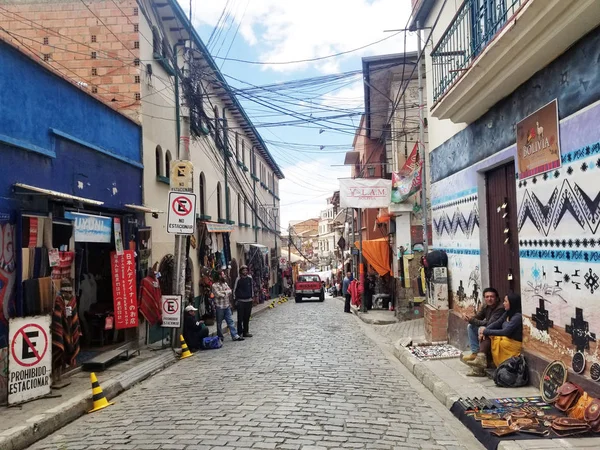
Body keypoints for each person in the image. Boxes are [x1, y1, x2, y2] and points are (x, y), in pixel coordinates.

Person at [468, 293, 523, 375]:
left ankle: (479, 366)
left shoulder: (517, 317)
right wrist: (485, 330)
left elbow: (506, 331)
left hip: (512, 345)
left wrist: (485, 331)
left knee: (488, 334)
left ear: (512, 303)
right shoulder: (507, 313)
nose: (504, 303)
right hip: (505, 341)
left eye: (505, 301)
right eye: (504, 301)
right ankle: (480, 360)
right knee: (485, 333)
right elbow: (497, 323)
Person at [461, 288, 504, 363]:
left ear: (496, 298)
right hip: (489, 326)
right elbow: (478, 317)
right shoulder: (485, 306)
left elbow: (490, 323)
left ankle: (482, 356)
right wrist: (468, 318)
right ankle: (475, 352)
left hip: (498, 329)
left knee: (481, 329)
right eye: (487, 297)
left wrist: (471, 320)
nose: (489, 299)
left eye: (492, 297)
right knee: (471, 326)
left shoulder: (500, 308)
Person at [212, 271, 244, 342]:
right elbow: (218, 294)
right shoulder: (214, 285)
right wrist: (225, 292)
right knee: (219, 323)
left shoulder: (225, 283)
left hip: (227, 306)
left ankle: (234, 335)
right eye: (223, 275)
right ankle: (220, 337)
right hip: (219, 306)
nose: (224, 276)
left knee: (230, 321)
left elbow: (230, 291)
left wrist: (224, 292)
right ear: (219, 276)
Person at [234, 265, 254, 337]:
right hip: (241, 301)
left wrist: (252, 297)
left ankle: (246, 331)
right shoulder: (238, 279)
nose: (245, 272)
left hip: (248, 300)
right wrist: (235, 299)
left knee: (247, 317)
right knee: (240, 318)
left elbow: (251, 288)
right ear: (241, 271)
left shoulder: (249, 278)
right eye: (243, 270)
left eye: (246, 270)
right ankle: (239, 332)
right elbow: (235, 289)